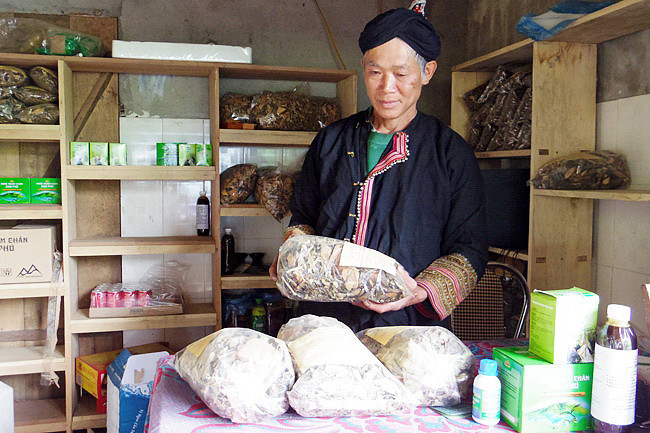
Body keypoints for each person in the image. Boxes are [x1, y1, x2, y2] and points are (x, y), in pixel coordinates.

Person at [270, 7, 487, 331]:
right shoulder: (331, 141)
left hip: (406, 326)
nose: (387, 87)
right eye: (375, 72)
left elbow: (469, 251)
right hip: (324, 322)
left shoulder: (451, 153)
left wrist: (417, 292)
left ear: (427, 72)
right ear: (363, 67)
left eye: (401, 74)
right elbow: (304, 218)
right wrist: (292, 252)